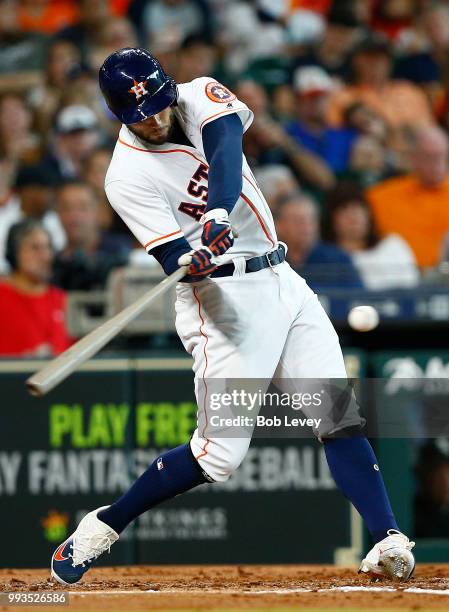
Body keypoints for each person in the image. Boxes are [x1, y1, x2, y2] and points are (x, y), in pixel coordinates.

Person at [50, 47, 415, 586]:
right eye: (137, 114)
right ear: (117, 117)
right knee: (218, 456)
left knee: (337, 414)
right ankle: (103, 525)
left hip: (283, 280)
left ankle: (387, 538)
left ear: (168, 88)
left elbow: (224, 151)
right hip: (223, 303)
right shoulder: (123, 176)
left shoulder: (199, 95)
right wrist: (192, 260)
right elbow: (172, 258)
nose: (151, 118)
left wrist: (218, 212)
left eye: (154, 104)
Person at [367, 126, 449, 268]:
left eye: (442, 156)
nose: (438, 163)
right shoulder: (380, 196)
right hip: (399, 280)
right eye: (429, 156)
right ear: (413, 157)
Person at [322, 181, 419, 290]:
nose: (353, 216)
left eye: (358, 208)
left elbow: (411, 289)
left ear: (368, 214)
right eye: (344, 209)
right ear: (331, 219)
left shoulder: (393, 245)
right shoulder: (325, 259)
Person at [327, 33, 435, 131]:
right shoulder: (344, 98)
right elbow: (337, 136)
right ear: (356, 60)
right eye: (370, 56)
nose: (377, 63)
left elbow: (428, 130)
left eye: (382, 57)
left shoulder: (409, 91)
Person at [0, 219, 71, 357]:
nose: (45, 256)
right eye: (35, 248)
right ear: (15, 252)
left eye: (48, 247)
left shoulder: (63, 300)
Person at [274, 193, 364, 290]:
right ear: (278, 225)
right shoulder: (269, 261)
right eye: (297, 220)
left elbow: (359, 299)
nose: (306, 227)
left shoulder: (339, 260)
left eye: (311, 220)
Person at [53, 181, 131, 291]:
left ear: (98, 211)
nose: (74, 216)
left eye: (83, 208)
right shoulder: (53, 263)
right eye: (67, 208)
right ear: (58, 213)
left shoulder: (120, 252)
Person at [286, 66, 357, 174]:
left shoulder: (344, 134)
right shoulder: (288, 133)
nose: (317, 102)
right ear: (297, 102)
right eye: (310, 98)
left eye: (321, 97)